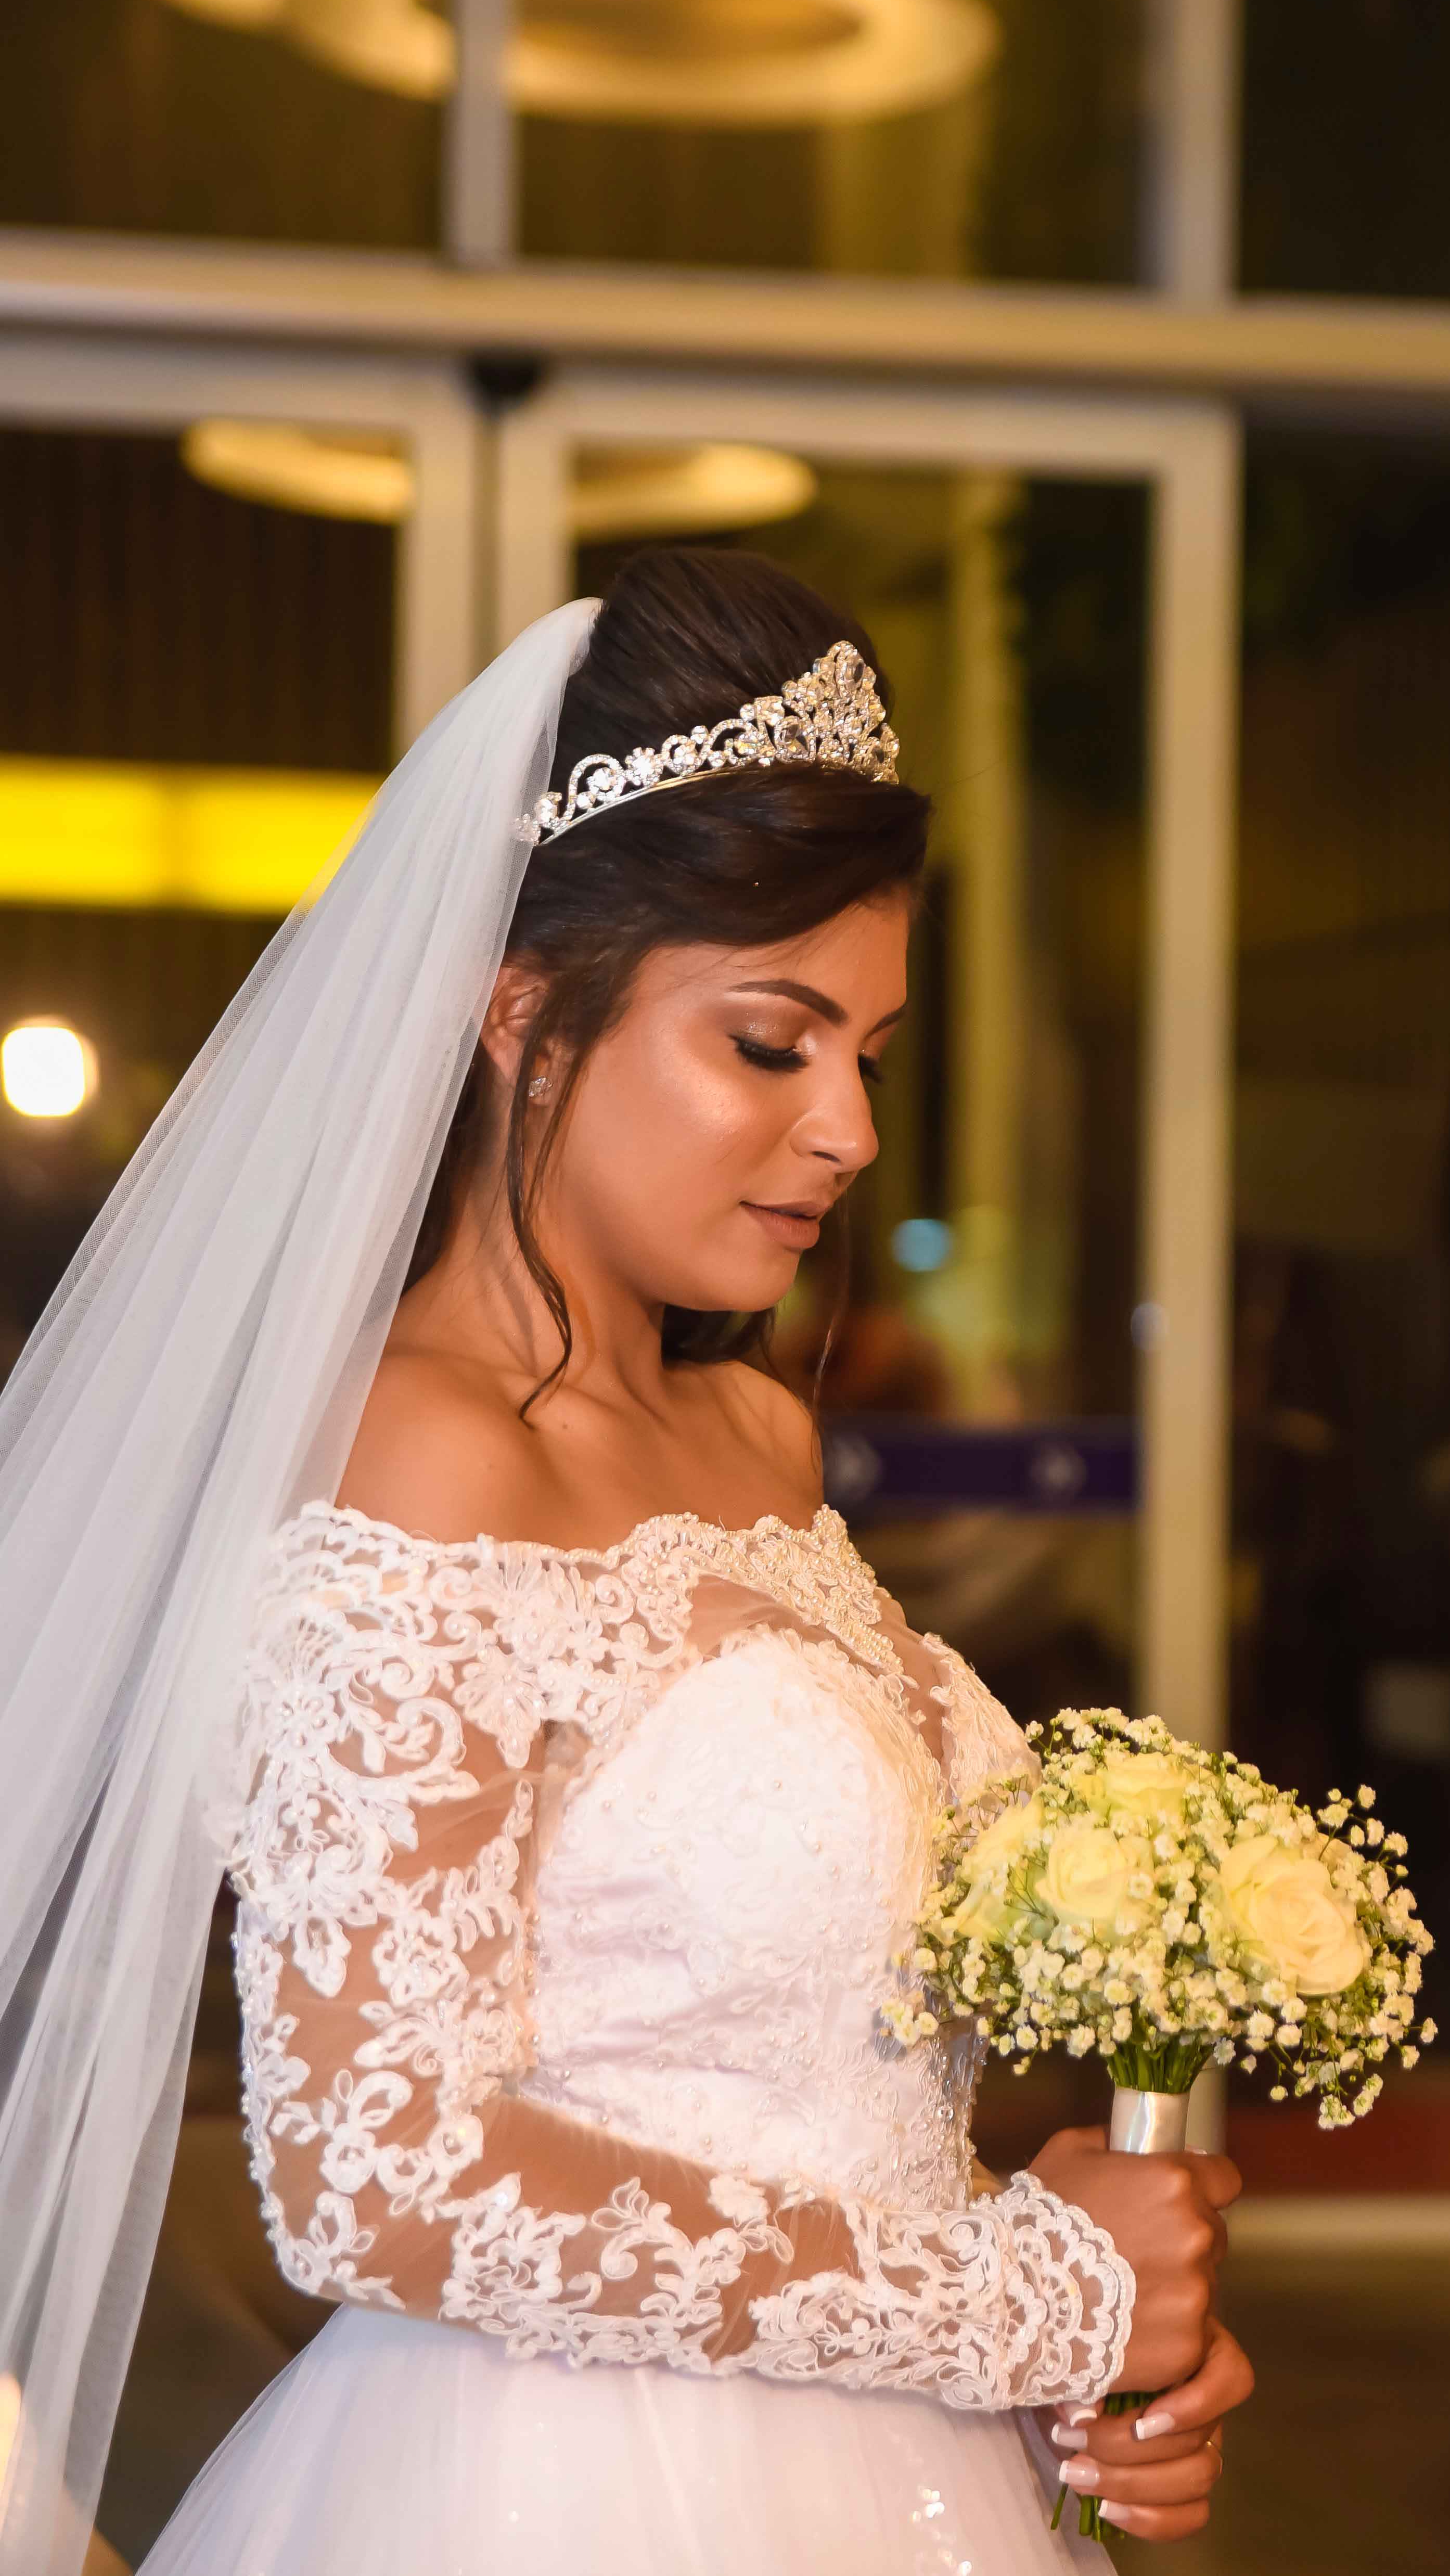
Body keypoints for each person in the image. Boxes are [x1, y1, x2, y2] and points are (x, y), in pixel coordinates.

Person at [0, 550, 1249, 2575]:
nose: (846, 1131)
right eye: (769, 1044)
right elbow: (375, 2175)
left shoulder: (758, 1438)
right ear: (525, 1015)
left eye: (869, 1055)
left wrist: (1097, 2332)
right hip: (548, 2497)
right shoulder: (416, 1452)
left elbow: (799, 2066)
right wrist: (1023, 2301)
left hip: (902, 2483)